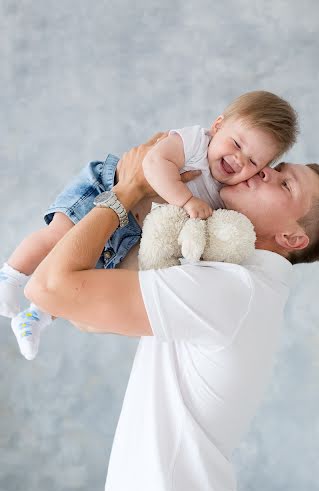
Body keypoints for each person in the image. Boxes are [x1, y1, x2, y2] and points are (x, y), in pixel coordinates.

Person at [24, 133, 319, 491]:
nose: (263, 169)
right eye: (278, 167)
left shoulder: (231, 288)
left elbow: (47, 290)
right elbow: (89, 318)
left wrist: (127, 191)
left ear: (293, 237)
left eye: (284, 183)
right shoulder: (229, 279)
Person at [0, 90, 297, 361]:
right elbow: (154, 163)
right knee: (58, 238)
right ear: (217, 126)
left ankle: (35, 317)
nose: (237, 159)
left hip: (128, 225)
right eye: (236, 143)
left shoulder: (226, 194)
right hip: (106, 187)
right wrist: (184, 201)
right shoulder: (195, 142)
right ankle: (10, 276)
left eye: (253, 162)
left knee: (84, 271)